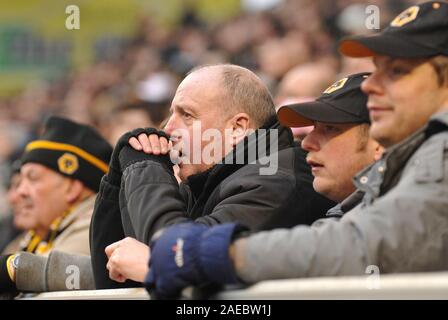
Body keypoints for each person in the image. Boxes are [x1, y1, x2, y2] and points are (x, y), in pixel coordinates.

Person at [139, 1, 448, 299]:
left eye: (396, 71)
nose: (370, 85)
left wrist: (216, 251)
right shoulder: (412, 158)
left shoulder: (439, 150)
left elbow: (366, 245)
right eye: (377, 70)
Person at [104, 72, 383, 295]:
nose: (167, 129)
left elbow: (177, 256)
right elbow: (113, 273)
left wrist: (145, 167)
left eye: (186, 115)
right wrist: (118, 177)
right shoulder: (203, 183)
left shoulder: (277, 180)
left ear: (237, 128)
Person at [0, 116, 112, 293]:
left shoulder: (94, 230)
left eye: (33, 178)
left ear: (72, 188)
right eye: (19, 181)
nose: (18, 193)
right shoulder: (34, 237)